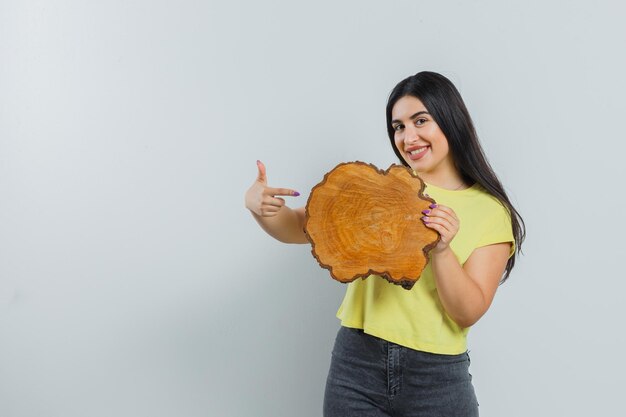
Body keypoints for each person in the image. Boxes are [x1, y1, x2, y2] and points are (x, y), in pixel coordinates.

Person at [244, 71, 525, 417]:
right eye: (399, 126)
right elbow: (298, 227)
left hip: (436, 378)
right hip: (356, 367)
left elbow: (467, 312)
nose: (408, 137)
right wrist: (260, 207)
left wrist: (441, 249)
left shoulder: (489, 211)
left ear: (451, 120)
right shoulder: (380, 188)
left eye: (421, 120)